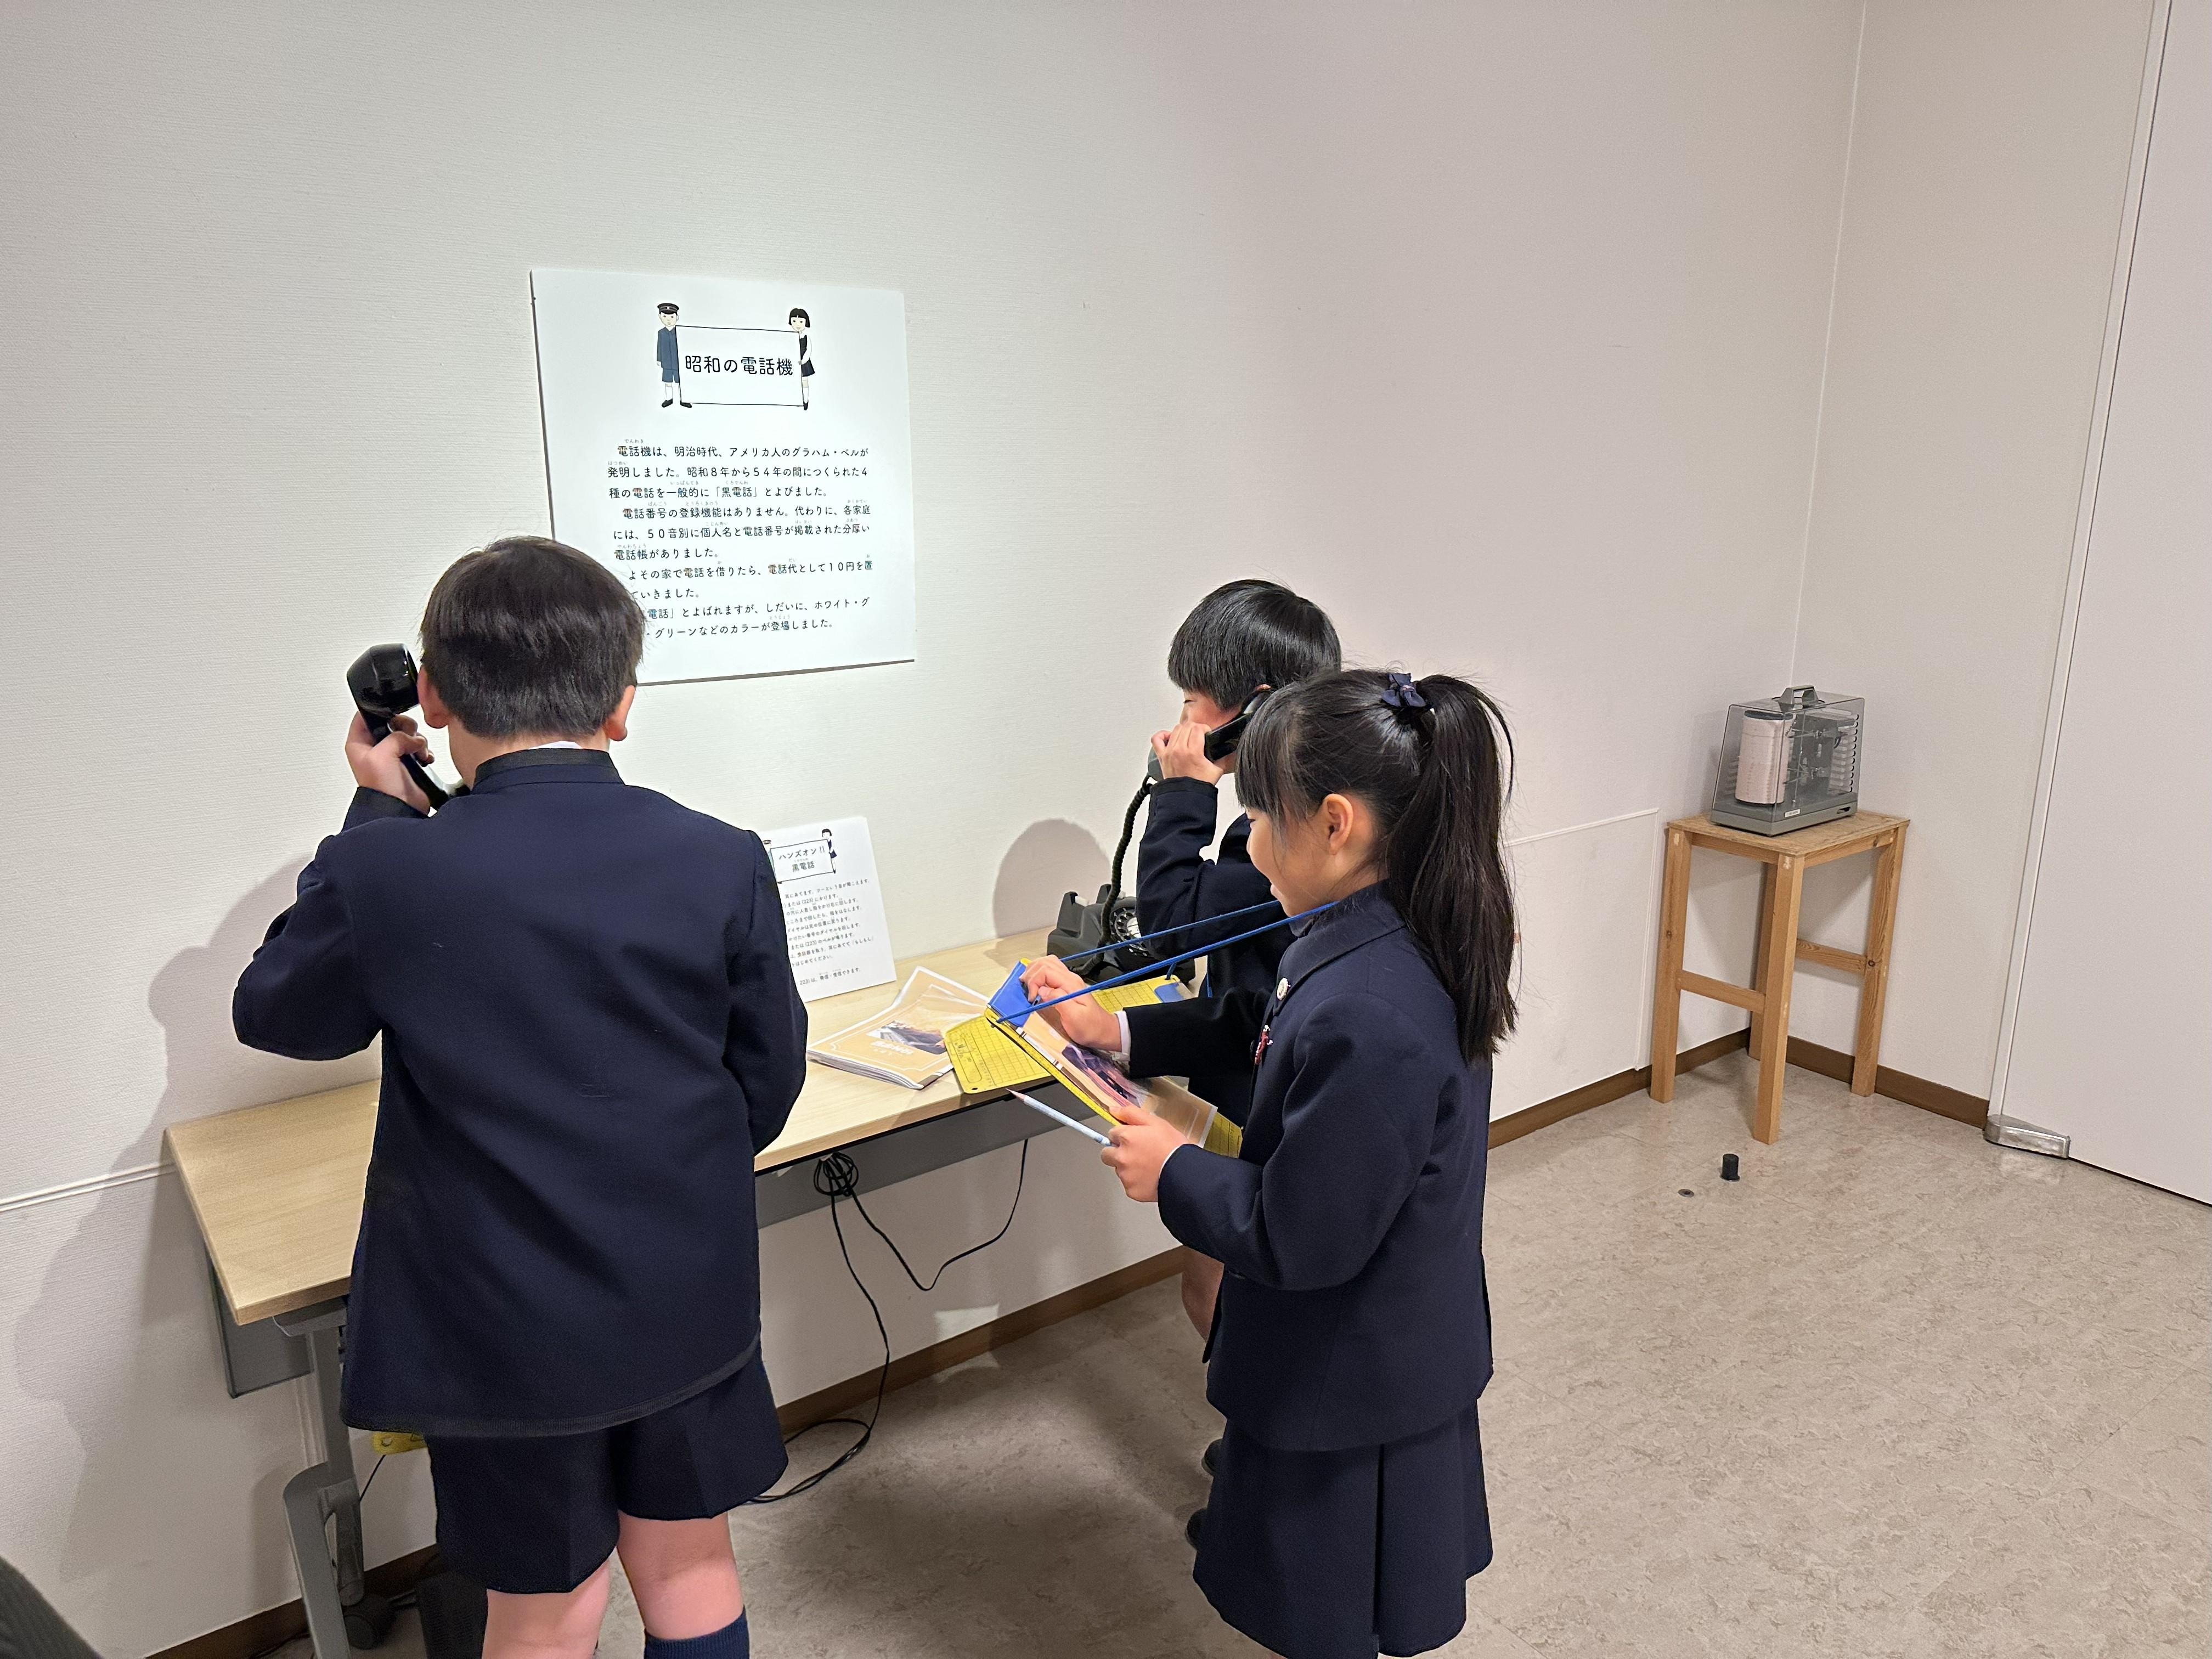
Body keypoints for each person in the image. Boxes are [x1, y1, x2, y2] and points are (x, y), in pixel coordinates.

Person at [233, 537, 804, 1659]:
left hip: (502, 1323)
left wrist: (379, 810)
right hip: (682, 1292)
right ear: (623, 704)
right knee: (690, 1563)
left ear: (431, 695)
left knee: (546, 1607)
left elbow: (283, 1013)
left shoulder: (390, 867)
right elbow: (767, 1078)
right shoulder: (720, 856)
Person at [1025, 668, 1514, 1659]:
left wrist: (1172, 1169)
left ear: (1336, 823)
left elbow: (1303, 1234)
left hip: (1352, 1372)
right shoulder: (1376, 929)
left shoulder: (1369, 1009)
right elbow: (1259, 1022)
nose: (1247, 843)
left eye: (1257, 818)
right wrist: (1115, 1029)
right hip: (1379, 1342)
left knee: (1326, 1608)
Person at [1141, 579, 1340, 1344]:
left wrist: (1185, 790)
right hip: (1258, 1066)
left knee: (1217, 1290)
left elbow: (1172, 926)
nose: (1179, 724)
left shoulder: (1282, 844)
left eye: (1192, 701)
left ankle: (1255, 1412)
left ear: (1253, 709)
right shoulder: (1305, 817)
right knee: (1222, 1288)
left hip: (1263, 1095)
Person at [657, 301, 691, 407]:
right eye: (665, 316)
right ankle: (669, 399)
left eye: (672, 317)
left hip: (678, 362)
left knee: (680, 381)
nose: (668, 320)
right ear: (660, 317)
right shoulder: (661, 333)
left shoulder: (679, 332)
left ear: (677, 317)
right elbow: (659, 346)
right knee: (668, 382)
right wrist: (659, 359)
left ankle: (683, 399)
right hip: (666, 362)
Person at [787, 307, 813, 409]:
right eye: (794, 321)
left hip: (803, 362)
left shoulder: (806, 337)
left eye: (801, 322)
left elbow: (809, 350)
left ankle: (805, 400)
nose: (797, 324)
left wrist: (803, 361)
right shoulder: (790, 337)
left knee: (804, 380)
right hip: (792, 362)